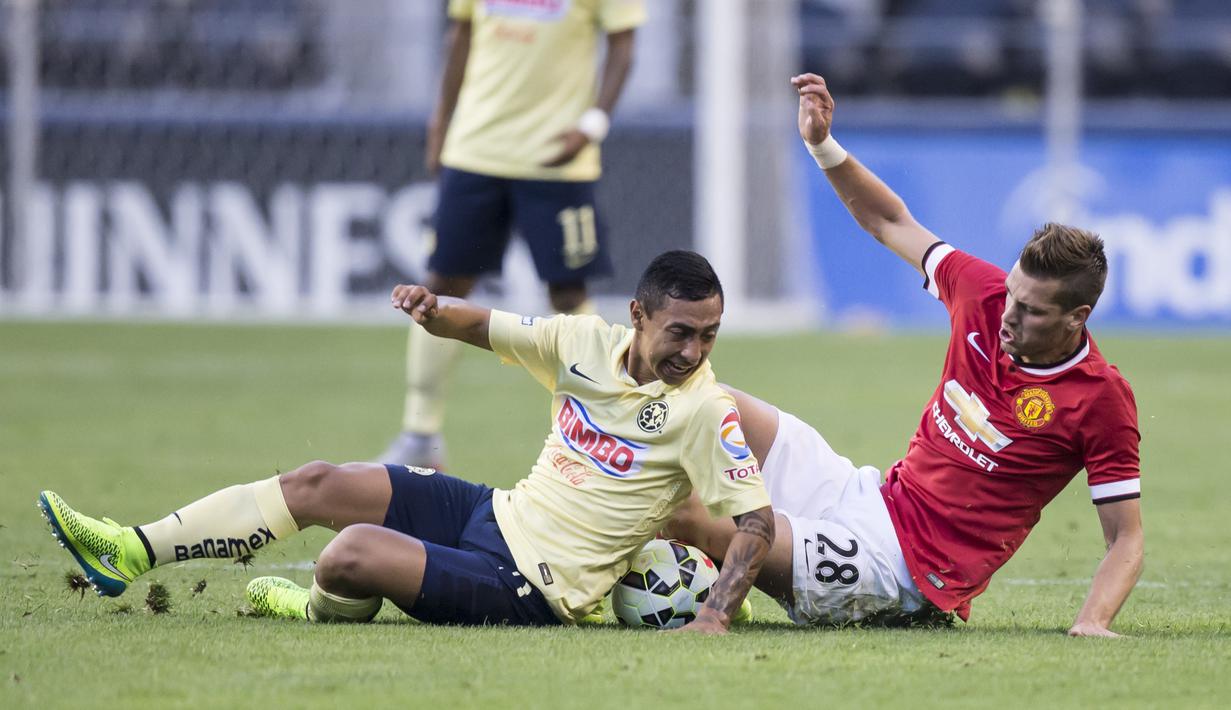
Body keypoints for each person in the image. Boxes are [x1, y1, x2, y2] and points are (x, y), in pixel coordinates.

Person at [39, 251, 773, 634]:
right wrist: (431, 311)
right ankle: (129, 550)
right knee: (323, 482)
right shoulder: (582, 341)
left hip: (531, 589)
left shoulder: (704, 410)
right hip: (495, 514)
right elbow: (483, 325)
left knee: (350, 550)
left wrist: (712, 615)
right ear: (638, 315)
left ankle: (313, 610)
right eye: (680, 331)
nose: (694, 350)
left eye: (709, 334)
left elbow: (754, 523)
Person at [667, 74, 1143, 637]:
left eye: (1032, 311)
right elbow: (892, 221)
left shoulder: (1099, 398)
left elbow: (1126, 537)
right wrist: (823, 144)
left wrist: (1093, 621)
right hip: (867, 494)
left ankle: (598, 580)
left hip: (900, 572)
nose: (1008, 315)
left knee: (685, 516)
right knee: (704, 401)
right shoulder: (983, 293)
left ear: (1077, 318)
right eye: (1012, 294)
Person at [381, 0, 644, 468]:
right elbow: (460, 37)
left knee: (568, 293)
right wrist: (440, 121)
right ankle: (420, 433)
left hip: (556, 159)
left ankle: (599, 428)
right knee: (441, 286)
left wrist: (592, 125)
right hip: (475, 151)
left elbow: (623, 48)